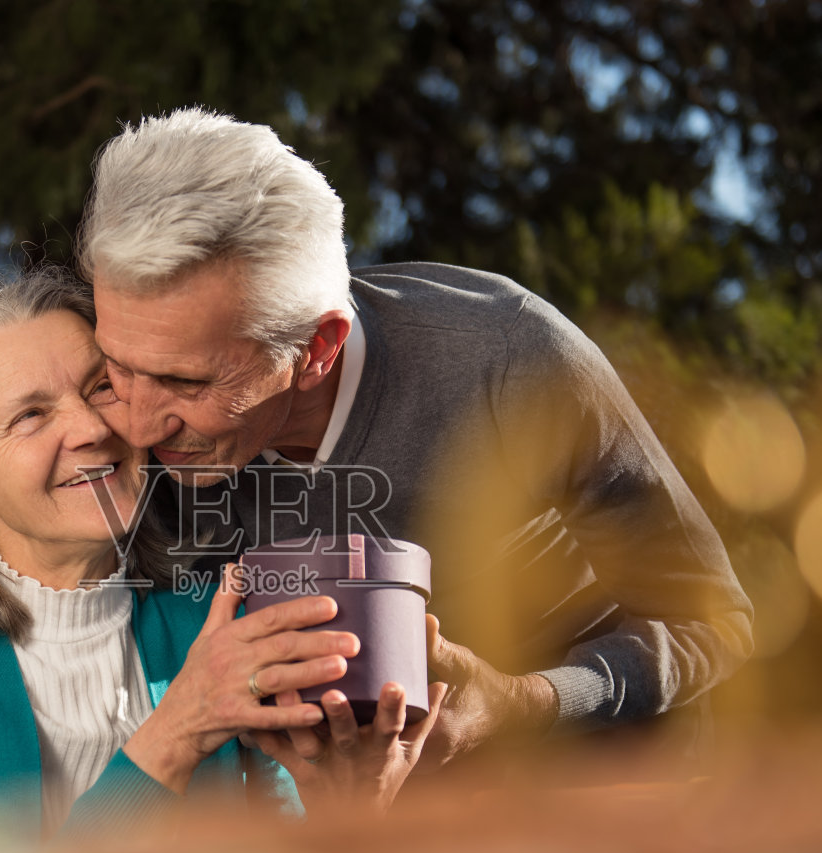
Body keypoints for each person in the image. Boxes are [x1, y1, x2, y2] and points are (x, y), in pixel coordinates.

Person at [78, 107, 754, 769]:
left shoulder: (511, 359)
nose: (134, 426)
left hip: (610, 784)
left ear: (317, 348)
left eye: (188, 385)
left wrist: (530, 700)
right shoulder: (99, 418)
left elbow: (714, 622)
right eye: (118, 366)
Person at [0, 269, 442, 853]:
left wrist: (350, 815)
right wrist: (175, 733)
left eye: (100, 388)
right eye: (30, 415)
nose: (91, 429)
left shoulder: (218, 616)